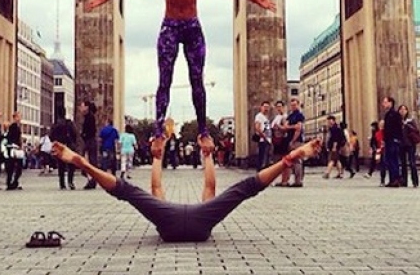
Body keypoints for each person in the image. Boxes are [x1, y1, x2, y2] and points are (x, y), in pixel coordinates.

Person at [85, 0, 275, 141]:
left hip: (192, 28)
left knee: (197, 80)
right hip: (170, 28)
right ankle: (158, 128)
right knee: (165, 80)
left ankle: (203, 129)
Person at [50, 134, 322, 243]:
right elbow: (210, 186)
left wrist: (158, 157)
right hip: (199, 226)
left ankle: (85, 166)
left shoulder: (161, 206)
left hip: (167, 224)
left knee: (128, 191)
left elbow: (156, 185)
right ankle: (289, 159)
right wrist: (208, 156)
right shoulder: (206, 208)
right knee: (243, 189)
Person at [50, 115, 78, 190]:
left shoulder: (55, 125)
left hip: (59, 147)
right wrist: (73, 143)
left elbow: (51, 136)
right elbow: (75, 134)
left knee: (61, 166)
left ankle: (62, 184)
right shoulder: (69, 123)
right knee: (71, 164)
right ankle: (70, 182)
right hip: (69, 146)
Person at [381, 96, 403, 188]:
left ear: (390, 103)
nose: (383, 104)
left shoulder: (394, 114)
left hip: (393, 140)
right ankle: (393, 179)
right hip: (389, 140)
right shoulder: (388, 114)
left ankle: (395, 179)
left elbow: (398, 128)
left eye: (385, 102)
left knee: (393, 160)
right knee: (390, 160)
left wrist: (396, 139)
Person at [398, 104, 420, 188]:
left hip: (410, 144)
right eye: (401, 109)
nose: (402, 111)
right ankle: (404, 181)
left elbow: (416, 130)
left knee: (412, 163)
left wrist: (407, 125)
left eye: (404, 109)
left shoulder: (410, 121)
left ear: (407, 111)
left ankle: (415, 181)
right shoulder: (397, 121)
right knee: (403, 163)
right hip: (401, 144)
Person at [79, 100, 99, 189]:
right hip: (90, 141)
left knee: (89, 162)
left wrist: (83, 134)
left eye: (82, 106)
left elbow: (91, 131)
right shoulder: (89, 117)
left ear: (86, 107)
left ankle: (92, 180)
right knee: (89, 161)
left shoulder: (89, 117)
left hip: (89, 142)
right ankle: (91, 180)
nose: (80, 107)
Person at [3, 111, 24, 190]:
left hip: (14, 148)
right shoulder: (13, 126)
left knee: (14, 166)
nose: (20, 118)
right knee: (15, 166)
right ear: (15, 117)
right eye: (18, 117)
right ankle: (12, 182)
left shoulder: (17, 126)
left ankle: (12, 182)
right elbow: (11, 138)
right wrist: (16, 145)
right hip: (14, 148)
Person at [322, 115, 348, 179]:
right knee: (337, 161)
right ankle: (340, 174)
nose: (328, 122)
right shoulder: (333, 128)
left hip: (334, 147)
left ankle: (327, 173)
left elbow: (335, 139)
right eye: (327, 121)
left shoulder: (335, 128)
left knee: (331, 160)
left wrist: (334, 147)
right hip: (335, 147)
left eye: (329, 121)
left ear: (333, 121)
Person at [252, 100, 271, 171]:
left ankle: (263, 171)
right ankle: (260, 172)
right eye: (265, 107)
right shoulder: (259, 116)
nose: (266, 108)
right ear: (261, 107)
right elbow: (257, 128)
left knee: (266, 158)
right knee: (262, 157)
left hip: (267, 139)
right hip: (263, 140)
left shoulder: (266, 117)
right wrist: (264, 137)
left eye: (267, 107)